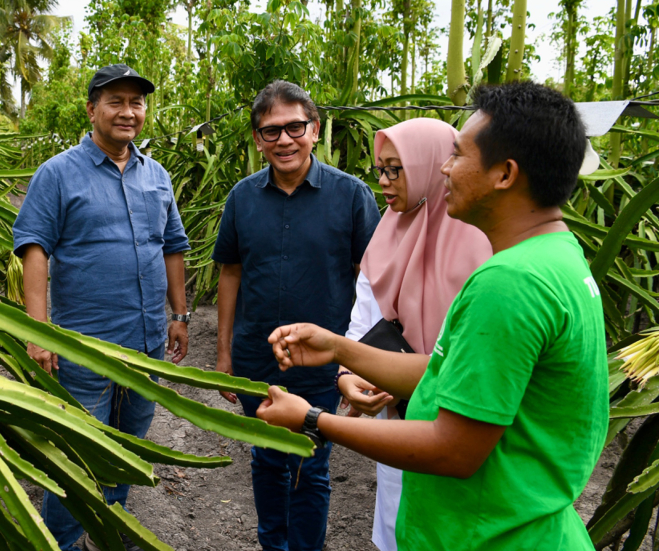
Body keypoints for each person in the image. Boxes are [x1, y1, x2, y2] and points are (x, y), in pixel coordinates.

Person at [258, 81, 608, 550]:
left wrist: (312, 419)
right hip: (518, 520)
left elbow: (454, 448)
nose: (444, 167)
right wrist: (339, 348)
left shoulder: (509, 283)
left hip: (490, 534)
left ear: (504, 174)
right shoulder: (557, 255)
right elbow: (449, 371)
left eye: (459, 154)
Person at [12, 64, 191, 551]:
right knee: (78, 455)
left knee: (127, 449)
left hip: (148, 342)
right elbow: (34, 248)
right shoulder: (58, 173)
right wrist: (38, 332)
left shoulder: (157, 175)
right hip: (82, 347)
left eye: (136, 102)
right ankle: (63, 543)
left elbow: (172, 245)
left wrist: (179, 315)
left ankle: (110, 534)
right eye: (116, 101)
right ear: (92, 109)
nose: (128, 112)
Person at [211, 79, 380, 551]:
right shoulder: (242, 198)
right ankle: (272, 544)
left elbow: (371, 281)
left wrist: (359, 359)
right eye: (270, 131)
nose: (284, 139)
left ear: (315, 129)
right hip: (255, 356)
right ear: (257, 139)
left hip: (322, 362)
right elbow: (231, 274)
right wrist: (224, 355)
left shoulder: (351, 195)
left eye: (295, 127)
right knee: (265, 458)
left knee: (311, 463)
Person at [340, 118, 492, 551]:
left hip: (463, 424)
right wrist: (347, 376)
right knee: (398, 527)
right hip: (398, 422)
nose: (384, 183)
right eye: (380, 170)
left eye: (395, 169)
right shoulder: (385, 234)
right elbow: (361, 325)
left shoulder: (485, 245)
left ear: (431, 166)